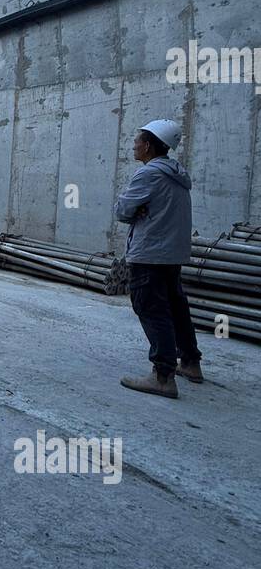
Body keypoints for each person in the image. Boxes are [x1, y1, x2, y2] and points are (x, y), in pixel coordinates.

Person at [116, 119, 202, 399]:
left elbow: (123, 210)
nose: (134, 145)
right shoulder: (177, 174)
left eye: (138, 140)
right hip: (170, 254)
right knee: (176, 307)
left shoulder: (149, 175)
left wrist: (137, 210)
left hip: (150, 252)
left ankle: (163, 376)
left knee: (151, 307)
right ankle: (190, 362)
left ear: (149, 146)